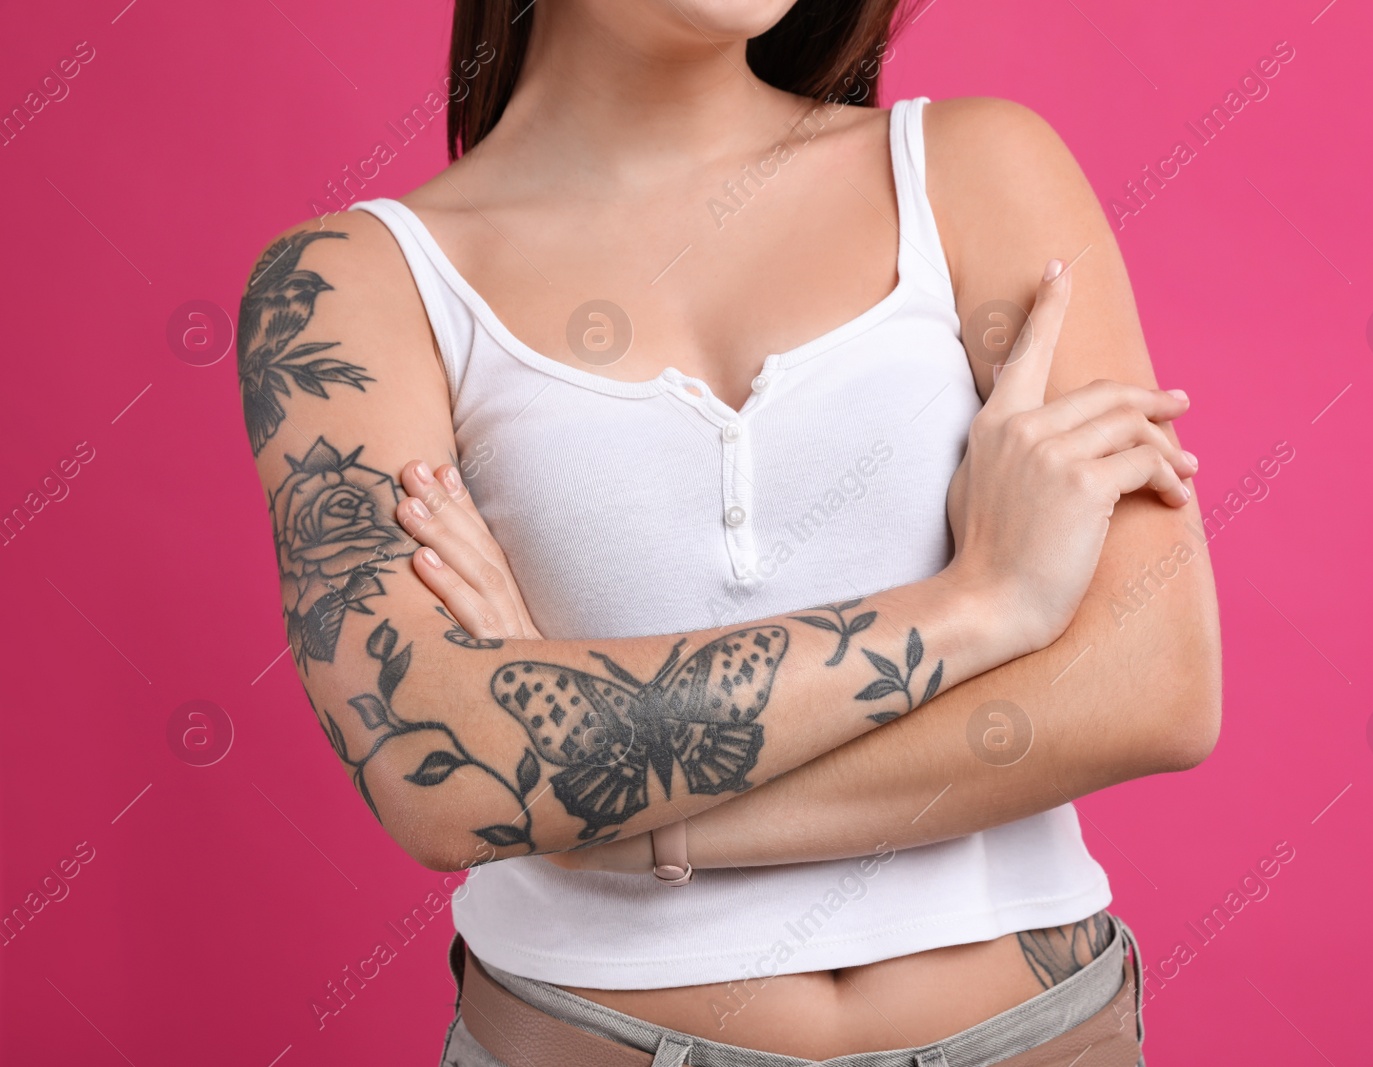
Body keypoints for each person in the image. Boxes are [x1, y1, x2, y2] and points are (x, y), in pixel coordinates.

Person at [237, 1, 1222, 1063]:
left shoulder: (974, 169)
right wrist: (985, 603)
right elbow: (451, 776)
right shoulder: (347, 287)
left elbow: (1150, 685)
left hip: (1038, 1034)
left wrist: (616, 820)